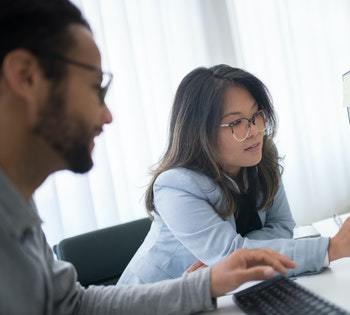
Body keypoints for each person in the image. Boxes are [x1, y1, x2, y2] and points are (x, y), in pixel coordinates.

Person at [0, 1, 298, 314]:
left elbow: (72, 306)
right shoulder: (179, 183)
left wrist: (207, 284)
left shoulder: (19, 207)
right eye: (95, 88)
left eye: (255, 118)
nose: (107, 115)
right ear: (26, 76)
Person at [117, 64, 350, 286]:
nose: (255, 131)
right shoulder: (175, 186)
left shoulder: (262, 155)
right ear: (201, 132)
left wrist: (232, 255)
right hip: (153, 302)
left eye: (256, 115)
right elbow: (231, 255)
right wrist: (331, 248)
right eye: (236, 122)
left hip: (227, 294)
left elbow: (282, 225)